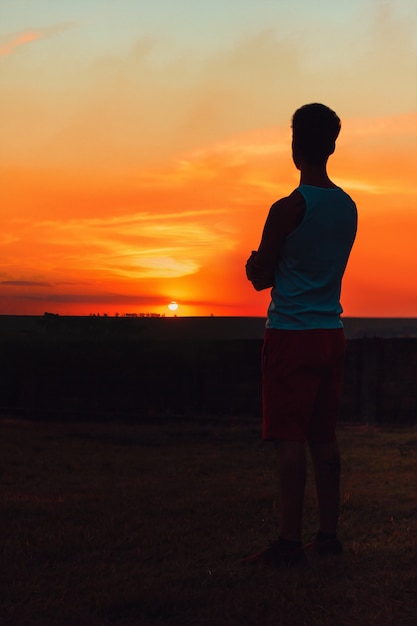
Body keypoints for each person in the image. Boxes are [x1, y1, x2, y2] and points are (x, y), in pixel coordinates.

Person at [242, 103, 357, 567]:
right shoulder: (348, 207)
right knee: (323, 438)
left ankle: (289, 542)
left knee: (289, 440)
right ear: (331, 146)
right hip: (331, 331)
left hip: (291, 334)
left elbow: (261, 275)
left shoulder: (288, 207)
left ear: (295, 148)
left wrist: (254, 264)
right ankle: (327, 536)